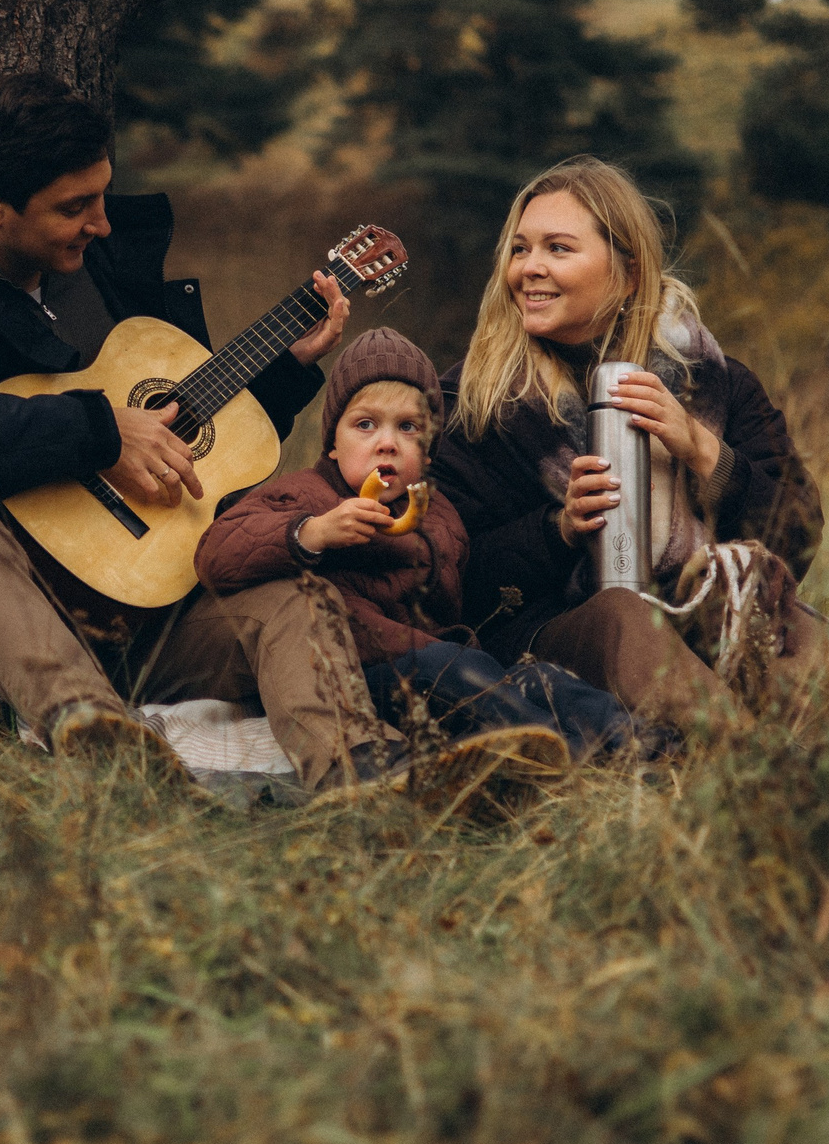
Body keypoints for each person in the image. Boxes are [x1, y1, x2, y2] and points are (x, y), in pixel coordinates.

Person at [0, 73, 411, 793]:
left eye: (103, 195)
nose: (101, 224)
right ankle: (102, 743)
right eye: (74, 207)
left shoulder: (98, 268)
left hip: (137, 616)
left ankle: (362, 775)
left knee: (290, 594)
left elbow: (179, 423)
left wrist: (284, 372)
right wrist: (97, 433)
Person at [427, 156, 829, 737]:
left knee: (795, 644)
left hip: (704, 610)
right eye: (520, 249)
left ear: (628, 273)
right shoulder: (475, 401)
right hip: (558, 634)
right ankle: (741, 757)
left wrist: (706, 453)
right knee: (624, 616)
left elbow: (797, 537)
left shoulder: (713, 382)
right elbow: (449, 577)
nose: (530, 268)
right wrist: (559, 530)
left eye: (558, 248)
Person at [196, 329, 646, 810]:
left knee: (544, 682)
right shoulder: (308, 495)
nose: (387, 443)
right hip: (362, 674)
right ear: (332, 443)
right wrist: (312, 532)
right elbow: (216, 552)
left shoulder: (442, 517)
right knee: (459, 674)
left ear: (429, 453)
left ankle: (645, 750)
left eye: (408, 428)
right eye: (365, 425)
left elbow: (465, 597)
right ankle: (568, 767)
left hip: (438, 664)